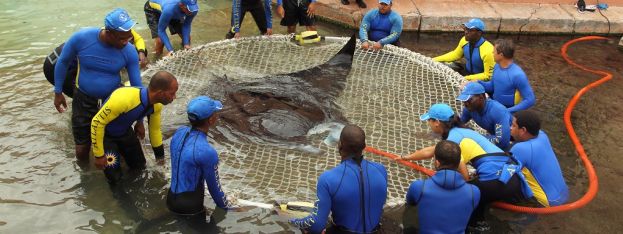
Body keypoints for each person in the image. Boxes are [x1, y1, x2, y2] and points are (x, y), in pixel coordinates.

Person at [401, 103, 531, 231]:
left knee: (467, 199)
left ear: (437, 122)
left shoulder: (453, 139)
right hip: (513, 178)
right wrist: (407, 157)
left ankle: (477, 224)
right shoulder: (461, 132)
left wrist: (457, 188)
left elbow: (463, 174)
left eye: (429, 120)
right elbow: (431, 150)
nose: (428, 124)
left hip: (496, 182)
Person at [53, 8, 143, 164]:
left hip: (112, 101)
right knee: (82, 149)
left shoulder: (129, 51)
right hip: (83, 99)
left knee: (118, 146)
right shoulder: (81, 38)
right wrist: (58, 92)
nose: (127, 40)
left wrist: (140, 121)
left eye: (129, 35)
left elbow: (137, 88)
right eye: (122, 38)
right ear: (108, 33)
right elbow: (63, 62)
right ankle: (86, 179)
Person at [290, 124, 387, 233]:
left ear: (339, 145)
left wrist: (293, 222)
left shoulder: (328, 179)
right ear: (364, 146)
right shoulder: (381, 170)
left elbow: (316, 224)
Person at [91, 71, 178, 183]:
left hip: (125, 131)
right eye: (172, 93)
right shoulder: (123, 99)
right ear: (161, 93)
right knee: (115, 179)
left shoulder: (157, 106)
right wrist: (99, 155)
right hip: (106, 136)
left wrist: (160, 161)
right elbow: (96, 123)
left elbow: (155, 132)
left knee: (140, 167)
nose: (174, 97)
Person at [167, 96, 234, 215]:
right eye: (215, 113)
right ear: (211, 120)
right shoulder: (207, 152)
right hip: (190, 206)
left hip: (171, 199)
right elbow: (215, 190)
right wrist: (232, 209)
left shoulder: (179, 132)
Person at [44, 30, 148, 98]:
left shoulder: (115, 32)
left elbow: (139, 39)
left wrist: (141, 51)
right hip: (56, 66)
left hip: (54, 58)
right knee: (84, 95)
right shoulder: (115, 43)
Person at [406, 140, 480, 234]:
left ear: (437, 163)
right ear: (458, 164)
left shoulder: (419, 187)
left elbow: (410, 202)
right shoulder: (474, 192)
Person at [510, 110, 569, 207]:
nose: (510, 128)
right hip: (564, 193)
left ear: (523, 130)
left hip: (548, 203)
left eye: (513, 126)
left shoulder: (520, 149)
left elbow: (506, 174)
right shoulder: (542, 135)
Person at [478, 39, 536, 113]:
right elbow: (492, 86)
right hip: (496, 106)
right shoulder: (497, 66)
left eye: (494, 51)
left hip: (509, 111)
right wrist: (478, 83)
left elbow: (530, 100)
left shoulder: (517, 75)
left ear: (501, 55)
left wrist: (507, 111)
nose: (492, 53)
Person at [457, 82, 512, 150]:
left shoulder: (497, 111)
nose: (466, 104)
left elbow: (502, 142)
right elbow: (457, 123)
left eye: (469, 100)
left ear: (481, 97)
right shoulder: (469, 108)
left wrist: (475, 137)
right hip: (493, 136)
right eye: (464, 100)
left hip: (512, 141)